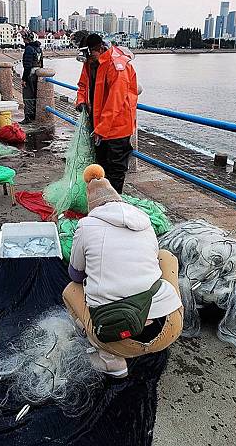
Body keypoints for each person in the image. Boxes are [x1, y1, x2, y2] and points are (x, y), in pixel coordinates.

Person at [63, 164, 183, 378]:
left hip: (117, 337)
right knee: (166, 257)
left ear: (92, 206)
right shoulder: (143, 219)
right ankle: (169, 312)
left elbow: (76, 275)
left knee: (70, 290)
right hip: (171, 328)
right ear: (118, 199)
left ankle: (110, 359)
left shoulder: (86, 225)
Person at [75, 33, 138, 193]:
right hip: (98, 125)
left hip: (117, 127)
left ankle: (114, 204)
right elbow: (83, 84)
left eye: (89, 56)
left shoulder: (117, 66)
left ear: (99, 48)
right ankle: (103, 200)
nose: (87, 61)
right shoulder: (91, 63)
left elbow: (115, 102)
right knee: (100, 166)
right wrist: (81, 100)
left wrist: (101, 130)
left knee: (115, 169)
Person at [21, 33, 43, 124]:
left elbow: (27, 66)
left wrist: (24, 79)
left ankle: (28, 117)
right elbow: (41, 63)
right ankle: (34, 115)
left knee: (28, 95)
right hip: (37, 73)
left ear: (26, 39)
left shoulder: (28, 49)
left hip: (30, 74)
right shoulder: (39, 49)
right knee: (35, 95)